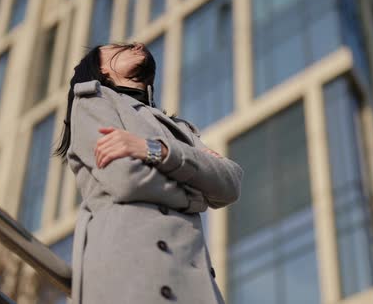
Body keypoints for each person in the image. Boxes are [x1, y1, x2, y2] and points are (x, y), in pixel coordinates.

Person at [54, 42, 243, 303]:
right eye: (118, 47)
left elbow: (229, 183)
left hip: (191, 283)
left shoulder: (180, 129)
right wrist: (196, 198)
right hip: (130, 273)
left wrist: (155, 150)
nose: (138, 44)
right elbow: (127, 179)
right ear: (102, 69)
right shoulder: (91, 101)